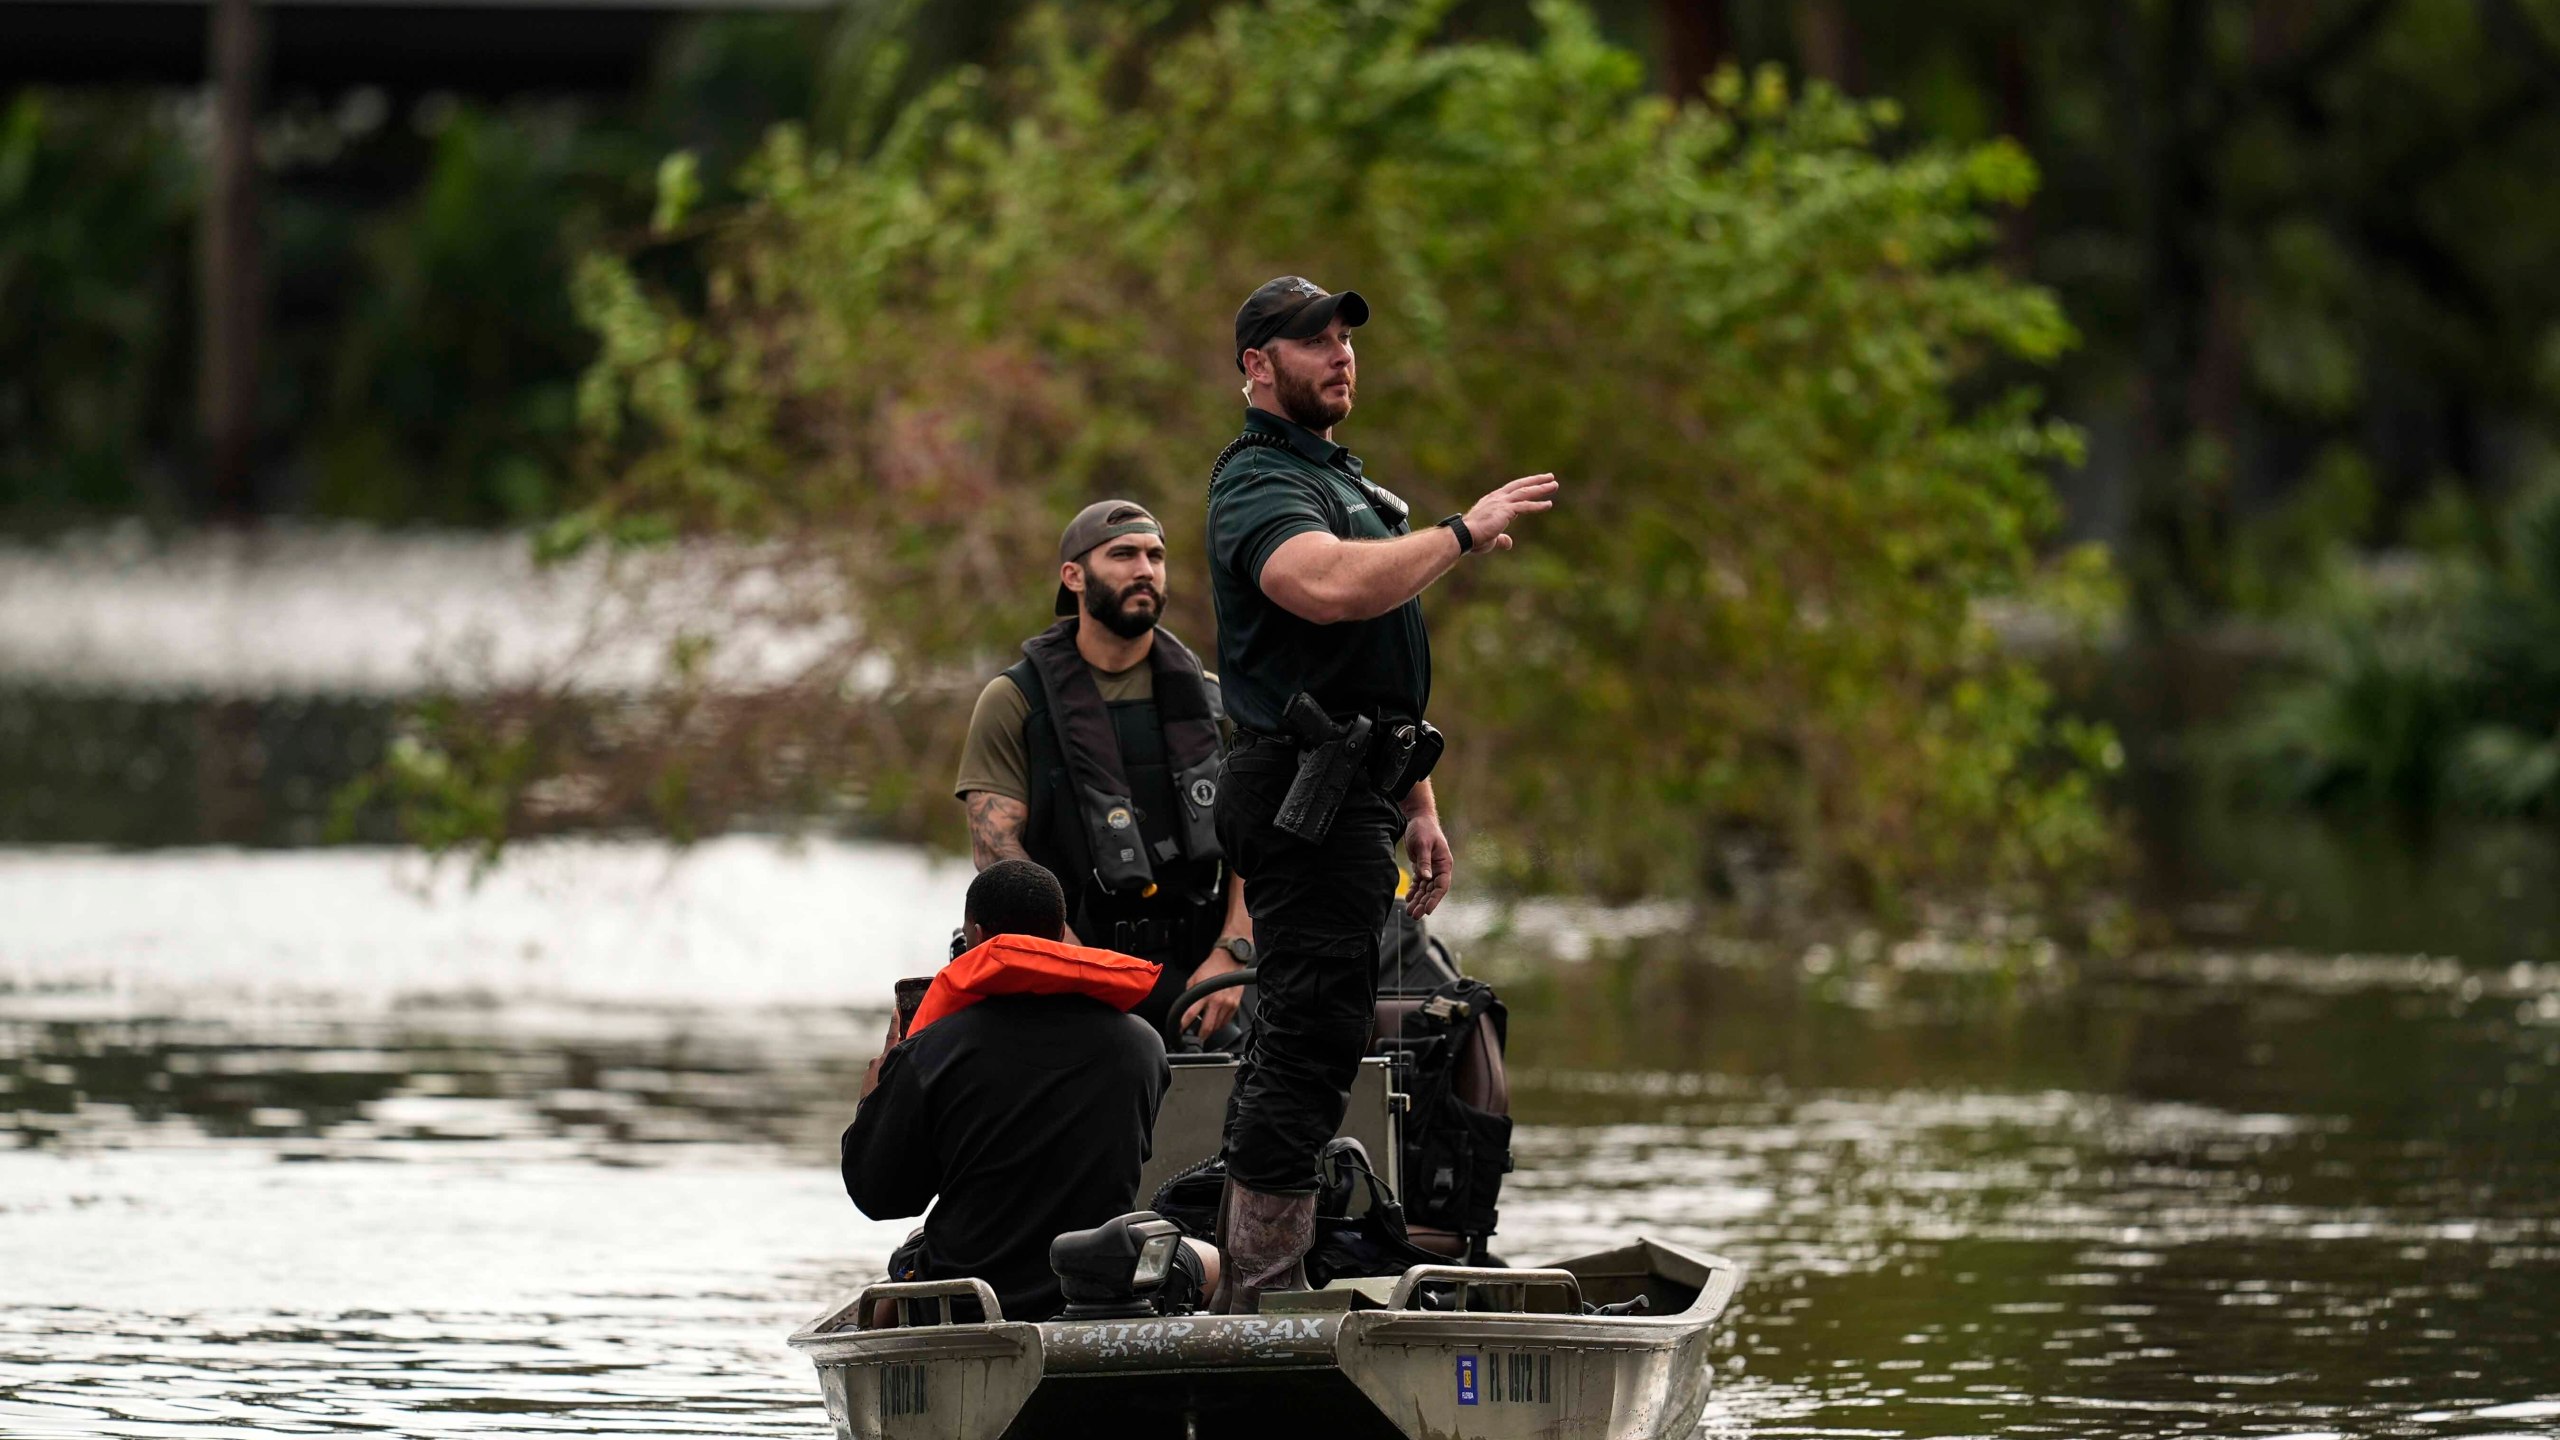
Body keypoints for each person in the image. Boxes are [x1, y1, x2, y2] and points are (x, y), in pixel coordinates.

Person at [1203, 275, 1557, 1311]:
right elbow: (1322, 586)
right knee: (1309, 1043)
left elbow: (1370, 664)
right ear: (1256, 366)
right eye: (1313, 341)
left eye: (1346, 339)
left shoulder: (1337, 477)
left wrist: (1419, 803)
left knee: (1318, 1030)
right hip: (1296, 797)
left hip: (1358, 790)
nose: (1340, 355)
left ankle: (1270, 1271)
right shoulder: (1259, 482)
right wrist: (1456, 533)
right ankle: (1259, 1292)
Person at [841, 858, 1210, 1321]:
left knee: (883, 1303)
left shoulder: (929, 1052)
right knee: (1209, 1260)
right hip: (1098, 1291)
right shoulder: (1142, 1045)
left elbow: (880, 1199)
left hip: (969, 1299)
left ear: (974, 935)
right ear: (1059, 936)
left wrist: (874, 1096)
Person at [953, 500, 1255, 1040]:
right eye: (1123, 554)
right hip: (1065, 971)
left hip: (1201, 976)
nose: (1145, 569)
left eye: (1155, 555)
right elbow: (995, 850)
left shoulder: (1214, 701)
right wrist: (1075, 964)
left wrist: (1234, 952)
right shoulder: (1015, 701)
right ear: (1073, 576)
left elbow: (1255, 841)